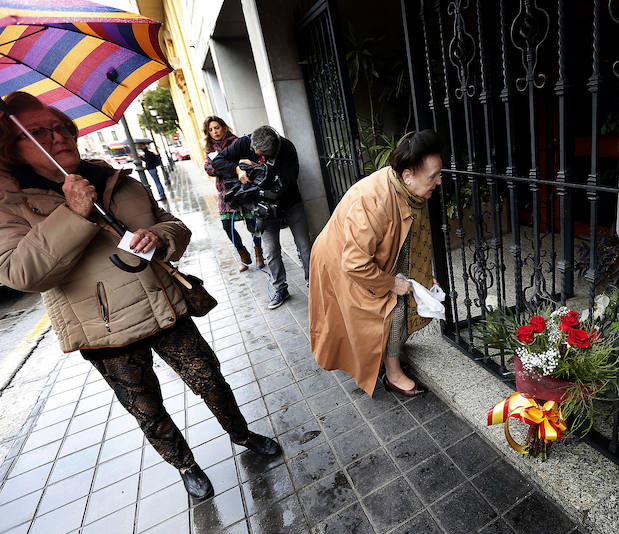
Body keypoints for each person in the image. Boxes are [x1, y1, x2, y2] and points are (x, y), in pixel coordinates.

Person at [0, 92, 281, 501]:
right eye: (40, 133)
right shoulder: (11, 203)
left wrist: (161, 238)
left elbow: (172, 224)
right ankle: (185, 464)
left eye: (61, 127)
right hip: (105, 332)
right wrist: (71, 213)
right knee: (146, 408)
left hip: (162, 305)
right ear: (13, 148)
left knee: (211, 379)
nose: (58, 137)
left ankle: (242, 434)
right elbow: (20, 273)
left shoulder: (114, 178)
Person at [309, 130, 442, 397]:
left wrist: (424, 277)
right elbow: (355, 263)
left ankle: (386, 357)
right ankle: (393, 375)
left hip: (358, 256)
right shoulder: (375, 201)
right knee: (391, 306)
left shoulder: (403, 188)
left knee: (402, 291)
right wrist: (392, 283)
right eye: (433, 176)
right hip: (342, 263)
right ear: (408, 175)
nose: (439, 181)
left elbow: (399, 240)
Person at [211, 125, 312, 309]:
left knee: (304, 246)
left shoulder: (287, 148)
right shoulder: (245, 142)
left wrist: (256, 168)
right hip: (262, 209)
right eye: (257, 153)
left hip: (290, 203)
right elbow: (216, 162)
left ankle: (313, 285)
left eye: (265, 155)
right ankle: (280, 289)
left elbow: (287, 183)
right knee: (271, 250)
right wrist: (237, 169)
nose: (261, 156)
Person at [202, 116, 264, 272]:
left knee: (252, 221)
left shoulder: (236, 142)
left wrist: (223, 165)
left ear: (223, 127)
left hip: (243, 187)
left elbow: (244, 162)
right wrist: (230, 166)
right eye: (210, 130)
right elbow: (209, 169)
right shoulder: (210, 148)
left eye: (216, 127)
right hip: (224, 191)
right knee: (226, 225)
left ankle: (259, 253)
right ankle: (243, 255)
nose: (214, 132)